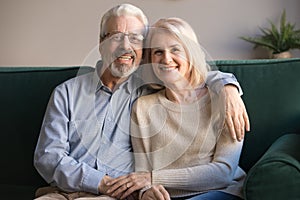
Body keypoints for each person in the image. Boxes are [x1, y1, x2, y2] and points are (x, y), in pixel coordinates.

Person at [34, 4, 249, 200]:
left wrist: (228, 87)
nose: (125, 46)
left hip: (116, 195)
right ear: (101, 43)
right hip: (65, 191)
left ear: (142, 52)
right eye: (116, 37)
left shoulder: (150, 88)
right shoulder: (67, 93)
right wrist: (101, 183)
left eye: (135, 38)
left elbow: (188, 74)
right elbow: (48, 156)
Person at [106, 18, 246, 200]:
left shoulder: (225, 100)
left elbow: (224, 173)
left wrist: (152, 179)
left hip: (220, 192)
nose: (166, 59)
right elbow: (142, 173)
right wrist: (145, 192)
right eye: (158, 52)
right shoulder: (142, 107)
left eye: (175, 49)